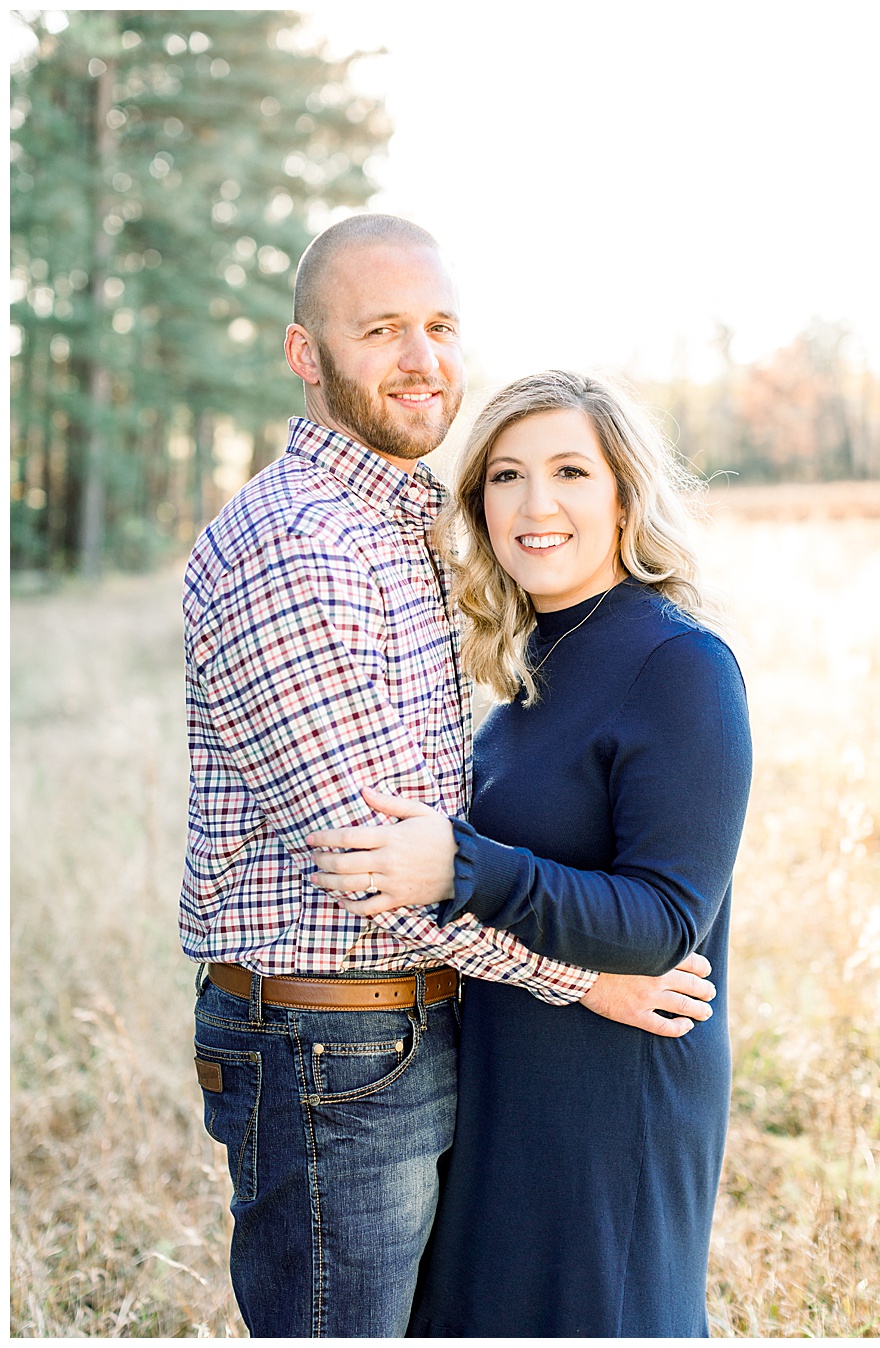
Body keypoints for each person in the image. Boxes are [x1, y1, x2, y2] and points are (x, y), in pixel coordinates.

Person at [181, 215, 710, 1337]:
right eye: (381, 330)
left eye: (439, 326)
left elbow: (451, 847)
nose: (422, 359)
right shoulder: (303, 544)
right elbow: (379, 868)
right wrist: (590, 982)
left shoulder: (404, 531)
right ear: (305, 353)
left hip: (399, 1036)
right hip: (334, 1046)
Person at [303, 369, 753, 1336]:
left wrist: (461, 867)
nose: (535, 504)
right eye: (505, 476)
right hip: (509, 1065)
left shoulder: (680, 666)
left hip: (615, 1084)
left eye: (569, 473)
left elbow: (668, 920)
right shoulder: (527, 669)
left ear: (624, 494)